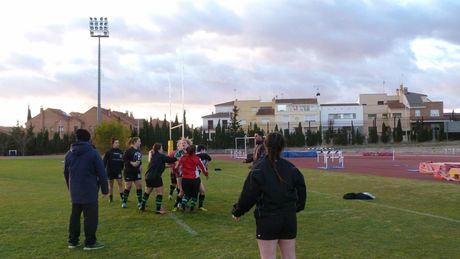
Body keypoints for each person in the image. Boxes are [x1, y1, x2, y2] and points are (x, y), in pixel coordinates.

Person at [232, 132, 307, 259]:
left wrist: (237, 211)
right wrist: (294, 208)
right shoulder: (290, 168)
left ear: (265, 146)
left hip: (268, 219)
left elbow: (248, 195)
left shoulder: (259, 169)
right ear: (282, 147)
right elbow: (302, 194)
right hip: (288, 219)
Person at [64, 129, 108, 250]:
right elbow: (102, 173)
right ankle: (90, 242)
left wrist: (71, 188)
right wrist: (105, 190)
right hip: (89, 190)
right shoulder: (93, 153)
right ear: (88, 139)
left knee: (75, 216)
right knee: (91, 217)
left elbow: (66, 173)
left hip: (75, 191)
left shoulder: (69, 153)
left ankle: (73, 241)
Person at [139, 143, 177, 214]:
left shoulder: (154, 156)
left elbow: (158, 165)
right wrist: (177, 157)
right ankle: (158, 209)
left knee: (147, 192)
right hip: (156, 176)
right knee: (159, 193)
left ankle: (142, 205)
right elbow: (170, 160)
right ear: (159, 149)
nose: (162, 149)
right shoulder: (161, 156)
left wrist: (169, 167)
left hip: (148, 176)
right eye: (161, 148)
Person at [177, 145, 208, 211]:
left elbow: (178, 167)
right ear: (194, 151)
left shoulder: (182, 157)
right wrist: (206, 174)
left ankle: (180, 205)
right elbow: (203, 168)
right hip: (194, 178)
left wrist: (179, 173)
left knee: (187, 193)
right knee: (195, 193)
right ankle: (192, 207)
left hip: (185, 179)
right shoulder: (196, 158)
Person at [121, 137, 143, 209]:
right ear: (135, 142)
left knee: (139, 185)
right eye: (139, 141)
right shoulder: (128, 151)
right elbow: (124, 159)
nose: (140, 142)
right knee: (128, 186)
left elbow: (139, 160)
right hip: (129, 171)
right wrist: (131, 163)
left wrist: (140, 165)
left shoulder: (139, 151)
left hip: (136, 171)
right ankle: (124, 202)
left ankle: (140, 202)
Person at [103, 137, 124, 203]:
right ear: (112, 144)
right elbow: (104, 162)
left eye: (118, 143)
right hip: (110, 171)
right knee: (111, 185)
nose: (118, 144)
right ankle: (111, 198)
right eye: (116, 143)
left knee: (120, 184)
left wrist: (122, 168)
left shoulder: (121, 152)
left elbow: (122, 161)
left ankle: (122, 198)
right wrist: (103, 169)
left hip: (118, 171)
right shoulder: (108, 152)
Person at [196, 144, 212, 211]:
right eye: (205, 150)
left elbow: (205, 165)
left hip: (195, 176)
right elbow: (208, 158)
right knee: (199, 192)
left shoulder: (194, 155)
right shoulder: (200, 155)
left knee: (201, 191)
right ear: (202, 150)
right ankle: (180, 204)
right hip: (193, 176)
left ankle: (200, 206)